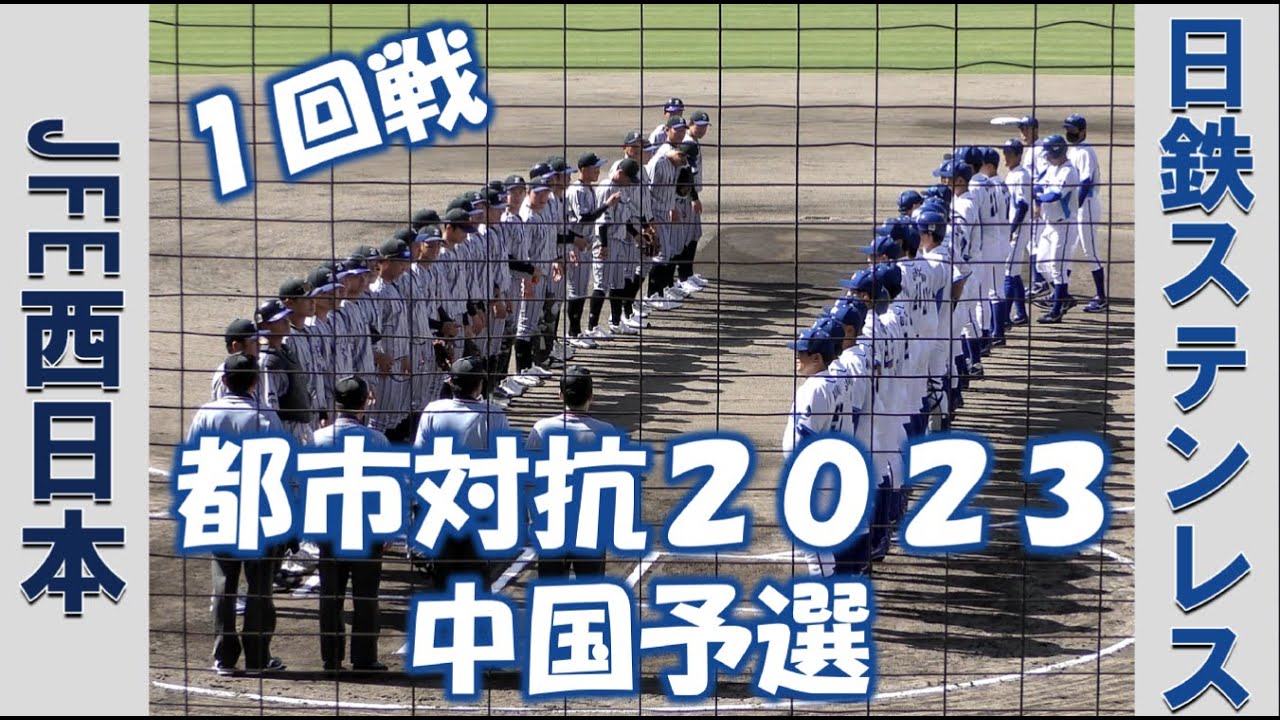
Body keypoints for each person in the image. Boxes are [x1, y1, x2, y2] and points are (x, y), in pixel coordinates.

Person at [187, 353, 287, 676]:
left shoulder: (207, 413)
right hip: (258, 512)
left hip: (220, 509)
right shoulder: (265, 415)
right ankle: (257, 658)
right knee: (259, 588)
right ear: (255, 382)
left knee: (224, 585)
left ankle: (224, 658)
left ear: (225, 380)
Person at [312, 376, 391, 673]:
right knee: (366, 597)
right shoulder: (377, 440)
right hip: (366, 530)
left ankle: (331, 659)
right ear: (365, 402)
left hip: (330, 528)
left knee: (330, 597)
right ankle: (365, 658)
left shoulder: (319, 439)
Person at [414, 356, 512, 587]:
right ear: (479, 385)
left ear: (450, 382)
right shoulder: (494, 414)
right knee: (476, 578)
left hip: (440, 507)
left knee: (442, 577)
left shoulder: (433, 410)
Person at [526, 366, 617, 578]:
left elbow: (529, 480)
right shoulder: (606, 432)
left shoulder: (542, 429)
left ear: (560, 395)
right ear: (591, 396)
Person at [1032, 134, 1081, 324]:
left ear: (1058, 152)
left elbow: (1054, 195)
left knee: (1057, 268)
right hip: (1049, 225)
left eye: (1048, 153)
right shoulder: (1052, 169)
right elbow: (1037, 186)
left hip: (1064, 226)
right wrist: (1037, 197)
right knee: (1041, 264)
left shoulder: (1069, 172)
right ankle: (1064, 297)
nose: (1046, 157)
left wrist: (1038, 197)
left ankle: (1056, 310)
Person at [1063, 113, 1108, 312]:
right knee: (1069, 248)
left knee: (1089, 250)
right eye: (1067, 129)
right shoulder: (1073, 150)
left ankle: (1101, 297)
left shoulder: (1085, 151)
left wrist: (1075, 207)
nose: (1069, 133)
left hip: (1087, 204)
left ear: (1083, 132)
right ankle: (1061, 294)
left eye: (1073, 130)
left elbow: (1086, 181)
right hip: (1077, 205)